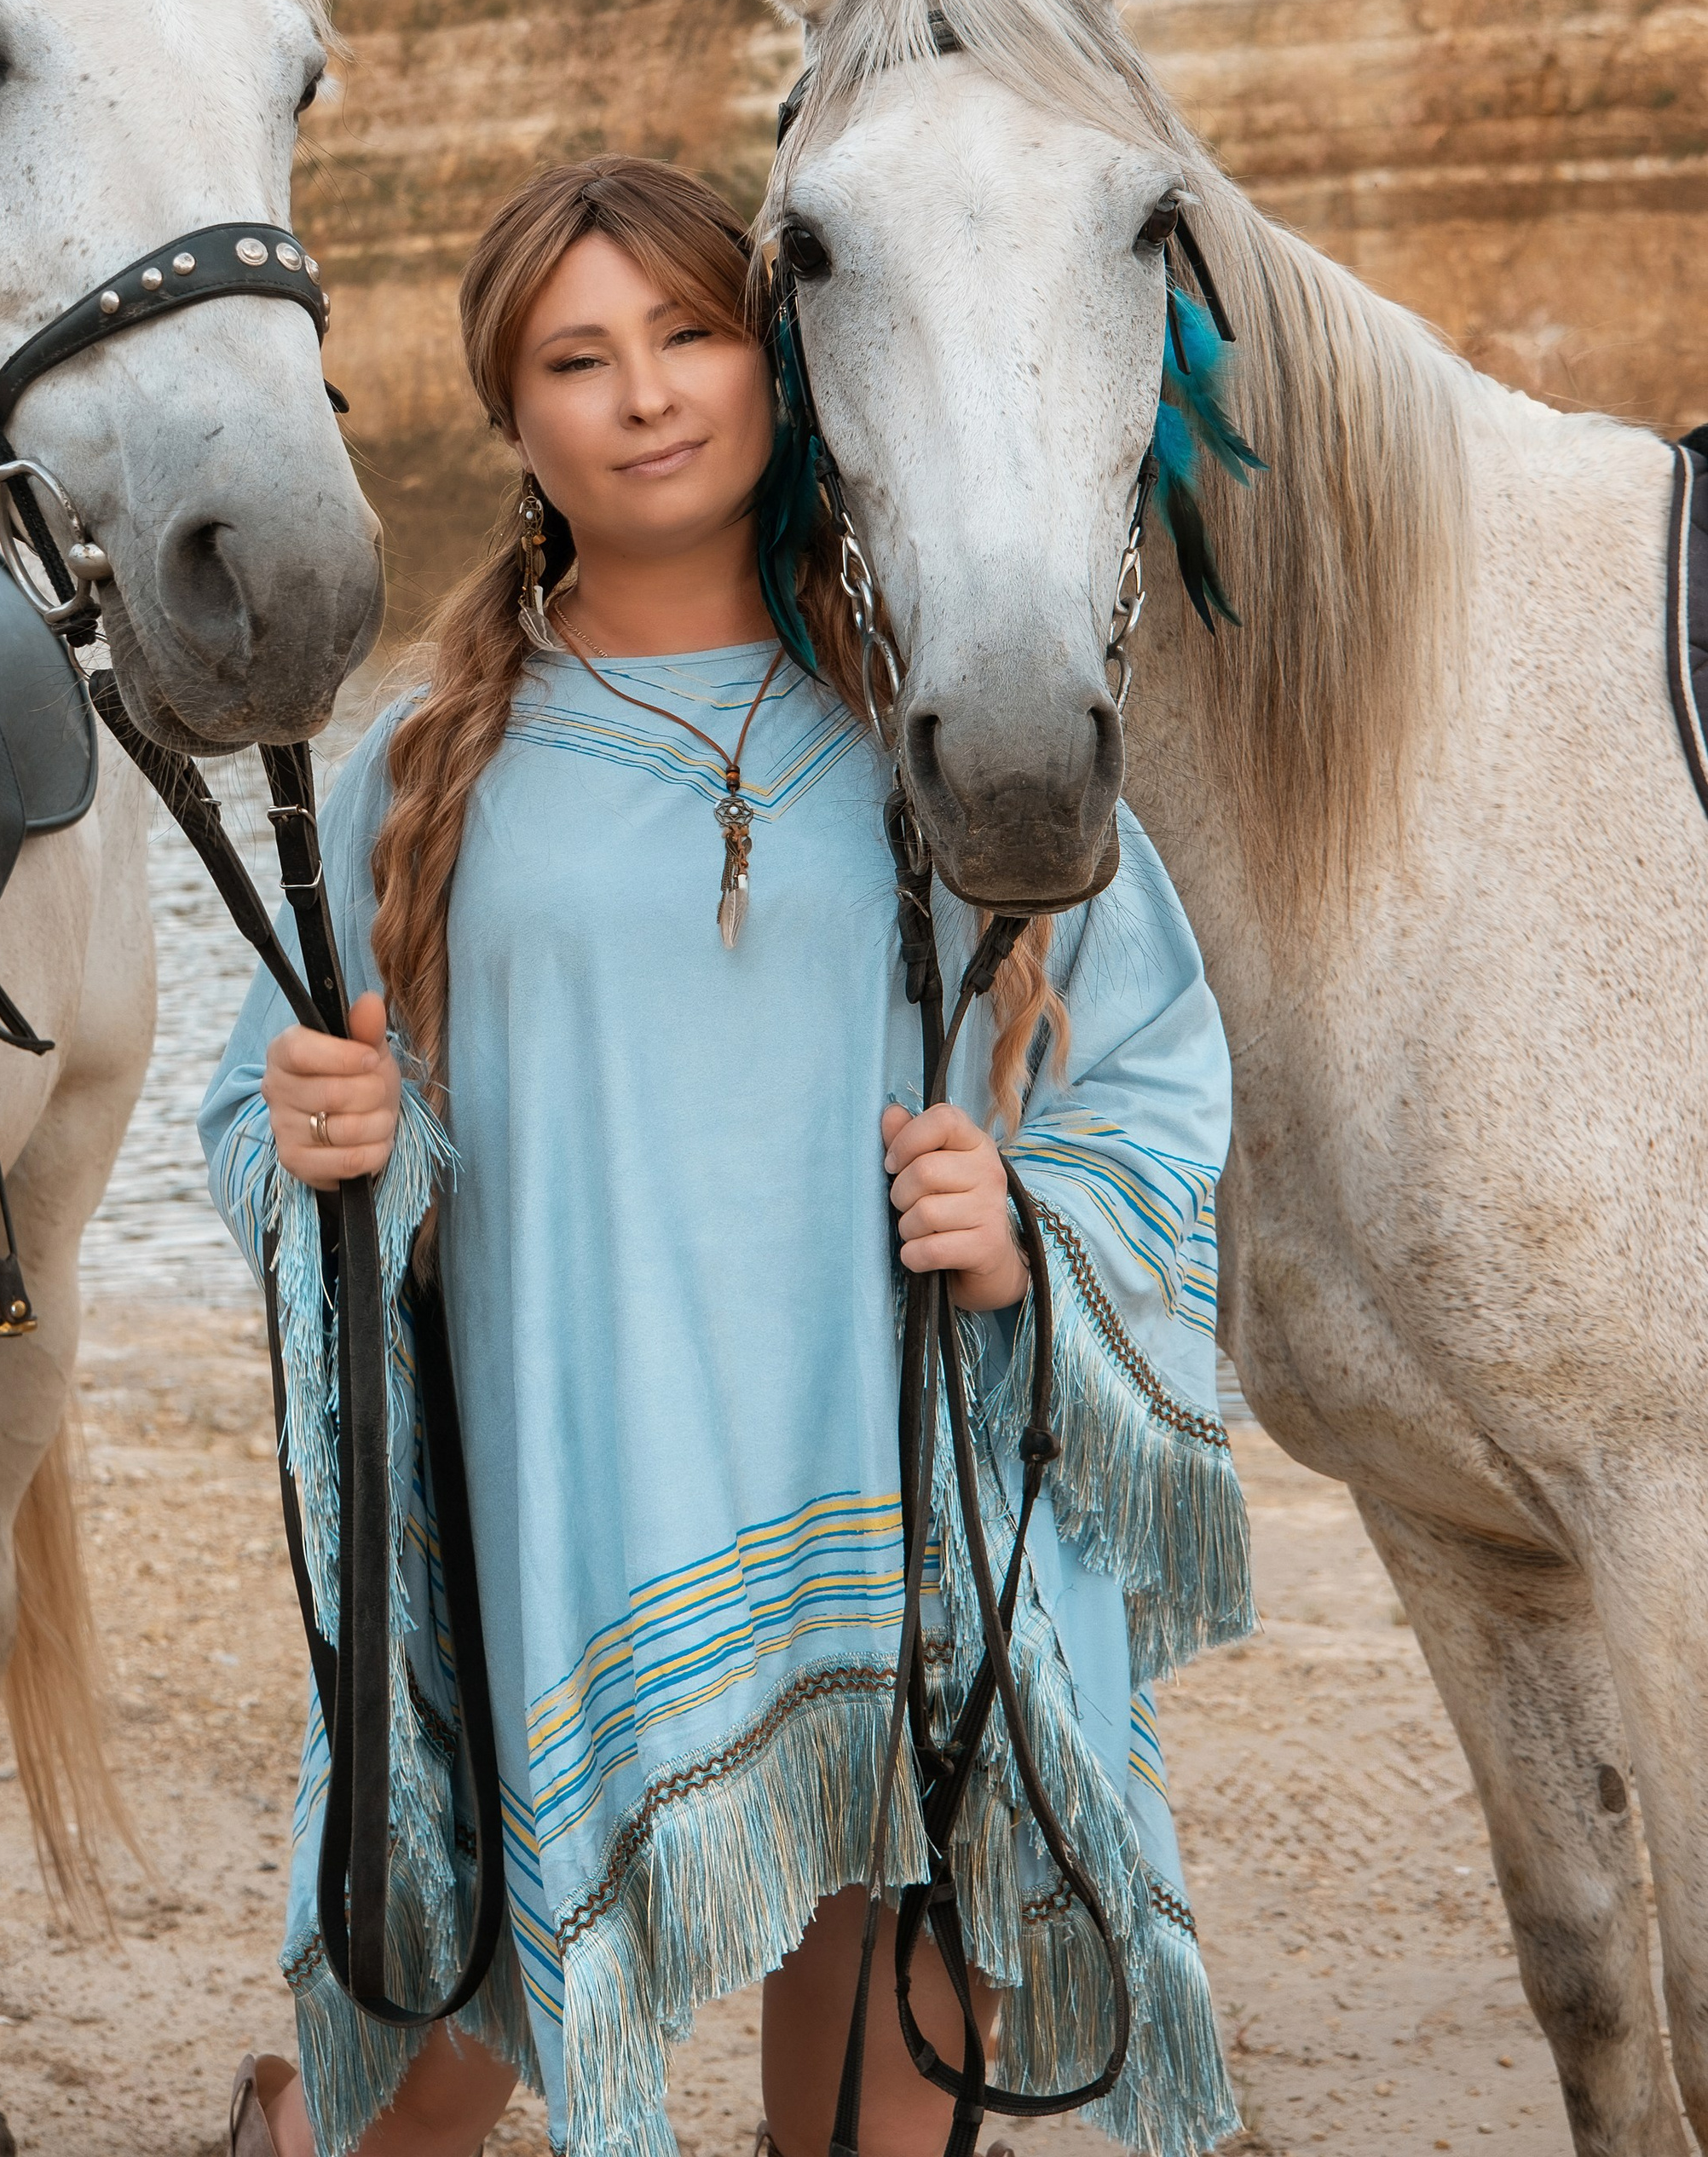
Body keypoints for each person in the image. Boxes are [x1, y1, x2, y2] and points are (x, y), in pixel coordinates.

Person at [201, 157, 1253, 2157]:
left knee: (877, 2062)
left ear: (777, 365)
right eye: (573, 359)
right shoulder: (422, 771)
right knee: (429, 2070)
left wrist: (1023, 1226)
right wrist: (338, 1144)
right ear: (509, 420)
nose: (644, 394)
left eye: (686, 333)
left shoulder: (948, 738)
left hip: (890, 1504)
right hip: (558, 1506)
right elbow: (266, 1123)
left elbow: (1150, 1073)